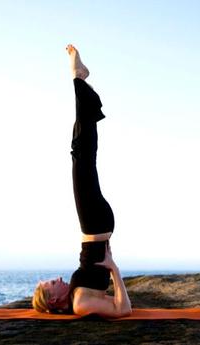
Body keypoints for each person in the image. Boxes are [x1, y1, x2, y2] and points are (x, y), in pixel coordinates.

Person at [32, 44, 132, 318]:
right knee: (80, 157)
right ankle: (78, 79)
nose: (58, 280)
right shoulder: (80, 304)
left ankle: (82, 86)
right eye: (53, 284)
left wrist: (108, 272)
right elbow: (123, 310)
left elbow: (109, 299)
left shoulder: (77, 298)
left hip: (96, 225)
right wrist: (113, 268)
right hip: (94, 224)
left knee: (83, 156)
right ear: (53, 300)